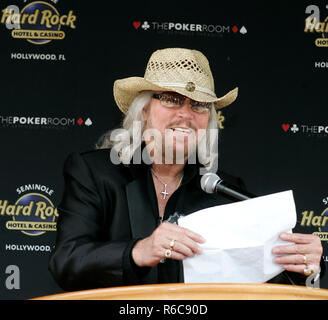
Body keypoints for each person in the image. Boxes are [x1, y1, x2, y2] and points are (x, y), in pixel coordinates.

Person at [49, 48, 324, 291]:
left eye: (199, 104)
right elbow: (66, 262)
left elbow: (265, 280)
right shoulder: (94, 172)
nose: (185, 114)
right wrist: (139, 251)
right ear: (144, 110)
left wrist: (304, 267)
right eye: (171, 98)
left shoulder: (224, 191)